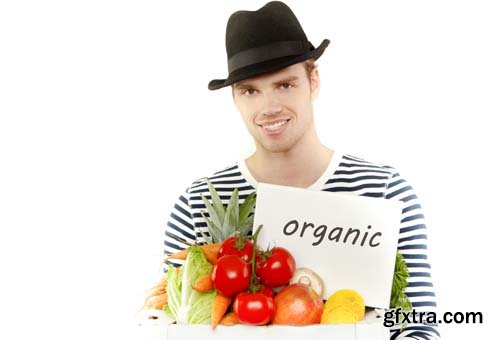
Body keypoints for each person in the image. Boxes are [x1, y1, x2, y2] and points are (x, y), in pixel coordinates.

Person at [163, 1, 439, 339]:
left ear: (314, 81)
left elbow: (418, 326)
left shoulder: (385, 191)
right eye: (250, 90)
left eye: (285, 85)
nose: (269, 107)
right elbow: (172, 322)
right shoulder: (198, 202)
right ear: (235, 99)